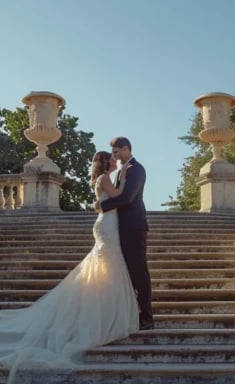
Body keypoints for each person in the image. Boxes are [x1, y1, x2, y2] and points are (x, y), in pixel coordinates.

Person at [0, 151, 139, 382]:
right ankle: (106, 312)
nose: (114, 160)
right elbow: (121, 196)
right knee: (107, 265)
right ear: (105, 162)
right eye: (111, 158)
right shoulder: (104, 178)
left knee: (105, 268)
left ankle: (105, 307)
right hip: (107, 226)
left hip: (108, 224)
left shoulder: (104, 179)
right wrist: (124, 176)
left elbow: (110, 200)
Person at [94, 137, 153, 330]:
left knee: (138, 271)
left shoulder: (137, 169)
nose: (113, 156)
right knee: (125, 272)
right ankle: (129, 313)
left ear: (126, 149)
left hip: (134, 226)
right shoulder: (121, 171)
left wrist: (102, 206)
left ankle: (147, 316)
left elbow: (127, 198)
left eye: (116, 152)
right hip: (119, 227)